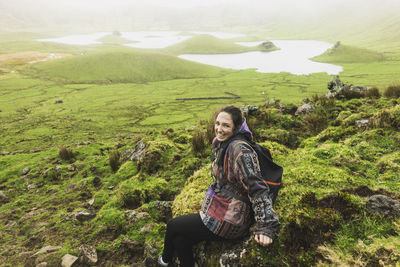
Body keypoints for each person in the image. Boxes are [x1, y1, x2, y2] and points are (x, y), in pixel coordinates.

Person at [158, 105, 279, 267]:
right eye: (217, 123)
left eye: (226, 125)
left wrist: (266, 226)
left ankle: (163, 262)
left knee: (173, 226)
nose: (219, 129)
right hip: (221, 209)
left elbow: (257, 187)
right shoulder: (223, 143)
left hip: (231, 221)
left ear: (236, 128)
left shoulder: (240, 151)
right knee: (180, 240)